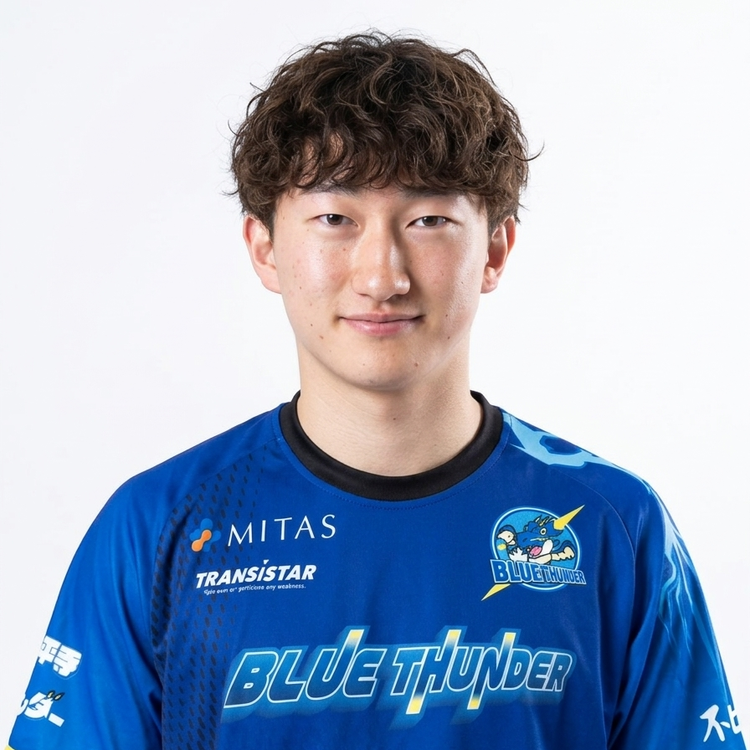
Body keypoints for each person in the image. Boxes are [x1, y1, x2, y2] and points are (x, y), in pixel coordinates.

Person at [7, 31, 744, 750]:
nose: (382, 276)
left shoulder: (614, 526)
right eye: (335, 218)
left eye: (428, 220)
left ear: (494, 249)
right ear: (265, 248)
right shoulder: (158, 528)